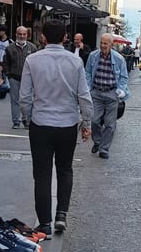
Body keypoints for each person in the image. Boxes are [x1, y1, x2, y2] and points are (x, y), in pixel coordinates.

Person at [19, 21, 92, 235]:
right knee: (65, 169)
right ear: (65, 38)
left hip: (41, 123)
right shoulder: (75, 62)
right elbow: (84, 96)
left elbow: (24, 97)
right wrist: (86, 123)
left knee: (41, 174)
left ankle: (44, 223)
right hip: (67, 123)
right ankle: (61, 214)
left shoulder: (32, 60)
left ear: (43, 37)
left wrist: (28, 118)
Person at [85, 33, 130, 160]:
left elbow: (123, 76)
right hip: (97, 92)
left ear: (111, 44)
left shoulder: (119, 59)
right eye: (101, 43)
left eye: (105, 43)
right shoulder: (93, 56)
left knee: (110, 124)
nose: (103, 46)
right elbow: (87, 72)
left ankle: (104, 149)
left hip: (111, 93)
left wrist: (121, 89)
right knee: (94, 121)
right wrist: (88, 87)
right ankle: (98, 142)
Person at [2, 26, 36, 129]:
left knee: (27, 99)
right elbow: (5, 63)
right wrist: (8, 74)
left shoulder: (33, 48)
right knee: (15, 100)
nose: (22, 36)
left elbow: (36, 63)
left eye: (24, 34)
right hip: (14, 77)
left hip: (28, 79)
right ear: (16, 34)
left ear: (27, 35)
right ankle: (16, 121)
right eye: (20, 34)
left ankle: (27, 120)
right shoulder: (10, 48)